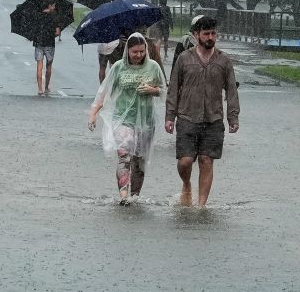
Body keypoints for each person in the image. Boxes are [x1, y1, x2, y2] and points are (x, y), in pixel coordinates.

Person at [164, 16, 239, 206]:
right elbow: (173, 88)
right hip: (187, 117)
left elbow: (231, 90)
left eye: (213, 33)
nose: (210, 37)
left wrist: (233, 117)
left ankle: (201, 205)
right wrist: (169, 116)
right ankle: (187, 184)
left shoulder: (223, 61)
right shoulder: (184, 59)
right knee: (185, 162)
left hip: (213, 119)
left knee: (207, 160)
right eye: (206, 33)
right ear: (196, 35)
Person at [88, 33, 165, 205]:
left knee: (139, 160)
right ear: (127, 51)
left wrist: (153, 90)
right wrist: (93, 114)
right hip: (122, 119)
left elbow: (165, 90)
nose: (138, 55)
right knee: (124, 156)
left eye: (141, 52)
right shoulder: (118, 67)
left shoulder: (153, 67)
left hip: (146, 121)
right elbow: (104, 91)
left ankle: (135, 196)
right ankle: (123, 196)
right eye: (134, 52)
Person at [32, 0, 60, 96]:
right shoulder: (54, 16)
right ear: (49, 6)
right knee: (49, 66)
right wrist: (51, 35)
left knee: (39, 67)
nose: (54, 8)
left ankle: (40, 89)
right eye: (53, 6)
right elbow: (57, 32)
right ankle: (46, 87)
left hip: (38, 43)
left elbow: (33, 30)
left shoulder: (37, 16)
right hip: (49, 44)